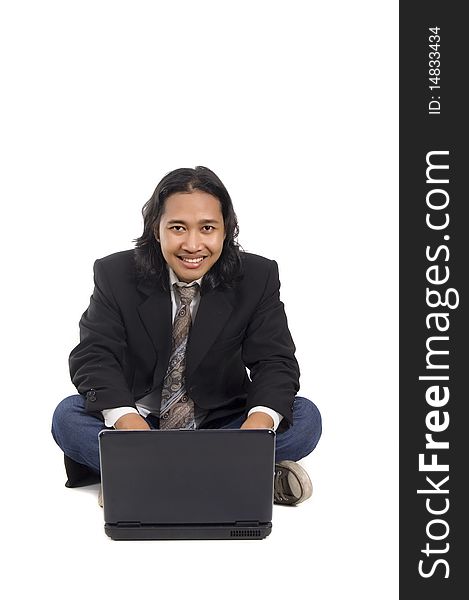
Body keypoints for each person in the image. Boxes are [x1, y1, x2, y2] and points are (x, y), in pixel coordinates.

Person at [52, 166, 322, 506]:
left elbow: (275, 362)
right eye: (178, 228)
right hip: (140, 425)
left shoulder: (257, 276)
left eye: (207, 228)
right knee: (68, 416)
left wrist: (255, 429)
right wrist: (130, 422)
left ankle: (139, 479)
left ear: (226, 231)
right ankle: (244, 478)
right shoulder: (115, 273)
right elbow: (94, 355)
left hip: (223, 424)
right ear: (157, 229)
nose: (192, 245)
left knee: (306, 417)